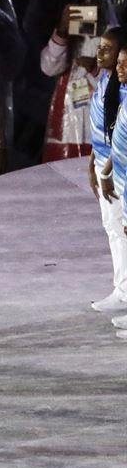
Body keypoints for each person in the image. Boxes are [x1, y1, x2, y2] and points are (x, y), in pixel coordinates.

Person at [40, 0, 117, 163]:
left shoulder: (115, 40)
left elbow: (119, 88)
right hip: (66, 131)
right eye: (83, 6)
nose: (87, 11)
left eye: (93, 6)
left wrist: (94, 69)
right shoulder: (70, 38)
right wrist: (61, 30)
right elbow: (48, 67)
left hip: (99, 133)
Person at [88, 27, 127, 313]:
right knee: (113, 227)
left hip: (118, 168)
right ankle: (122, 289)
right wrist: (93, 162)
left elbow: (121, 137)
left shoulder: (124, 88)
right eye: (100, 46)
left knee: (122, 227)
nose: (100, 52)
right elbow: (103, 129)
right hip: (104, 161)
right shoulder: (106, 80)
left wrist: (106, 173)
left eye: (107, 49)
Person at [99, 43, 127, 339]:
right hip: (121, 177)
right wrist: (106, 171)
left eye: (126, 64)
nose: (121, 68)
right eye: (120, 62)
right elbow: (118, 141)